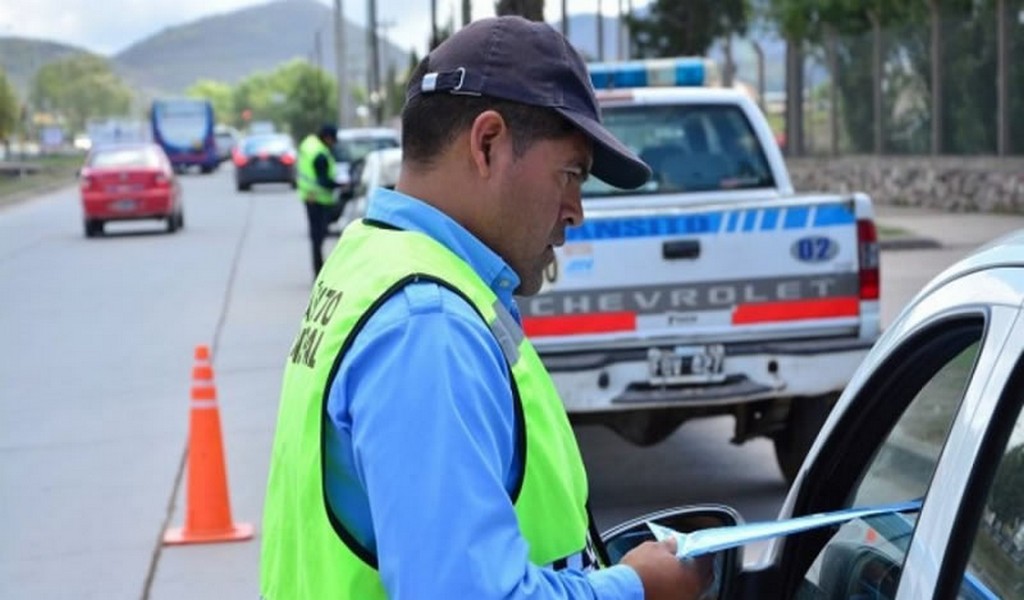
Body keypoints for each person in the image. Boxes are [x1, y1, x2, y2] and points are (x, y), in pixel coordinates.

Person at [261, 16, 713, 600]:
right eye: (570, 174)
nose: (576, 210)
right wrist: (637, 589)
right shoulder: (428, 325)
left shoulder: (369, 259)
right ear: (488, 143)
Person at [296, 123, 340, 276]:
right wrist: (340, 185)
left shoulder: (309, 144)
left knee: (316, 238)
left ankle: (318, 270)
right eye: (333, 140)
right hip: (317, 199)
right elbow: (323, 181)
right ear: (327, 138)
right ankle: (319, 271)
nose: (334, 144)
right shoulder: (320, 154)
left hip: (309, 197)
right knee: (318, 237)